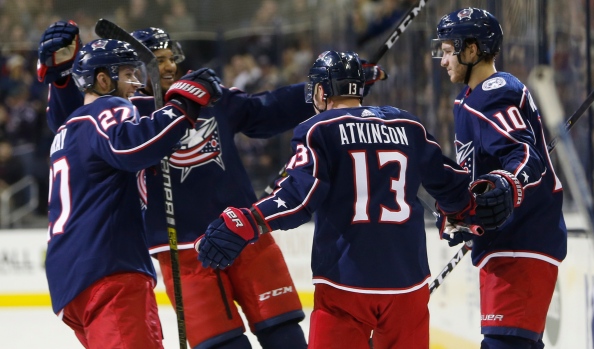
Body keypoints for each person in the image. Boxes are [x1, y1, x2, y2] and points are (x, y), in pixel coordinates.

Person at [39, 21, 388, 349]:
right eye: (154, 62)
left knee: (284, 333)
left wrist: (332, 87)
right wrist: (62, 80)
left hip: (243, 234)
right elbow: (73, 123)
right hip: (182, 252)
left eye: (168, 58)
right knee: (223, 344)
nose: (168, 67)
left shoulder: (204, 93)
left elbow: (265, 109)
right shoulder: (128, 110)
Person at [194, 50, 511, 349]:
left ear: (320, 92)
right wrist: (474, 207)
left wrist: (246, 222)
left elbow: (297, 199)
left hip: (344, 285)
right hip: (408, 283)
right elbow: (453, 187)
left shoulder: (317, 128)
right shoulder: (409, 124)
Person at [44, 37, 221, 348]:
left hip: (71, 279)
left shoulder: (67, 129)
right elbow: (130, 146)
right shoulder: (108, 106)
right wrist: (184, 104)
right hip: (111, 268)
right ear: (102, 79)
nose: (137, 84)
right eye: (128, 74)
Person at [431, 7, 568, 349]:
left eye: (449, 51)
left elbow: (524, 155)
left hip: (524, 241)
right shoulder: (469, 101)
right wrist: (466, 214)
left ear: (472, 50)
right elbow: (483, 174)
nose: (444, 60)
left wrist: (508, 184)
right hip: (506, 243)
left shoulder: (494, 91)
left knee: (503, 344)